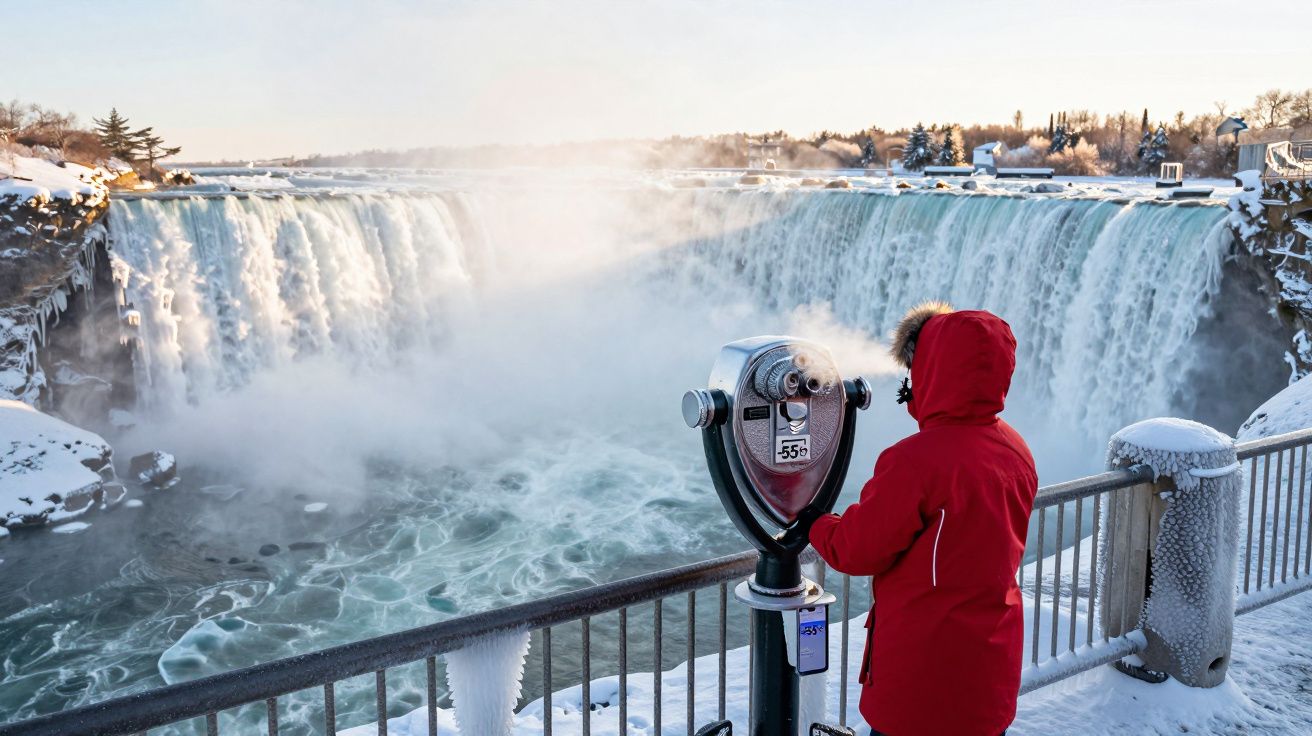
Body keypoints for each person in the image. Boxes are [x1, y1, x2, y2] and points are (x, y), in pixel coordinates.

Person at [808, 303, 1038, 736]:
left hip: (921, 681)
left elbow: (856, 549)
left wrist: (816, 523)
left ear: (934, 371)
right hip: (990, 667)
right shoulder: (1015, 449)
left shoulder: (915, 463)